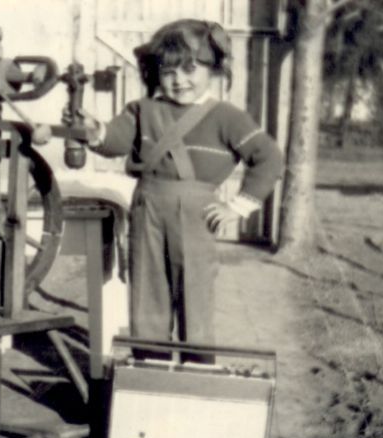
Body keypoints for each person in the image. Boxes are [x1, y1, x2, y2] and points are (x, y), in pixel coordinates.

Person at [79, 19, 284, 355]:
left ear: (212, 70)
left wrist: (238, 206)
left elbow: (269, 158)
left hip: (196, 216)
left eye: (190, 69)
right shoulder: (142, 110)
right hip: (147, 209)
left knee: (195, 300)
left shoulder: (228, 117)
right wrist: (96, 132)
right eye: (168, 71)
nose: (179, 80)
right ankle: (149, 368)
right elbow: (115, 140)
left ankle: (195, 375)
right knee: (146, 296)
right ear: (155, 74)